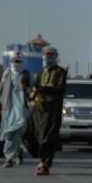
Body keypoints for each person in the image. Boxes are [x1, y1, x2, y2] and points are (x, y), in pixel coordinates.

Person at [30, 46, 67, 175]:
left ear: (55, 57)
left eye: (50, 55)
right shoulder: (41, 72)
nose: (47, 57)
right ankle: (42, 161)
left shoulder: (60, 72)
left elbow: (60, 89)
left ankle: (45, 163)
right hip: (39, 109)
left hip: (53, 109)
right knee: (37, 135)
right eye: (46, 55)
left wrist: (43, 89)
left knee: (49, 137)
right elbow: (35, 87)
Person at [0, 55, 31, 168]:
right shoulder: (7, 73)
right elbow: (1, 90)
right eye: (14, 61)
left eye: (18, 61)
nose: (16, 63)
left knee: (17, 131)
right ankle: (11, 156)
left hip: (21, 108)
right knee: (9, 133)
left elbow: (30, 91)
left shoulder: (26, 74)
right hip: (8, 108)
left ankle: (13, 154)